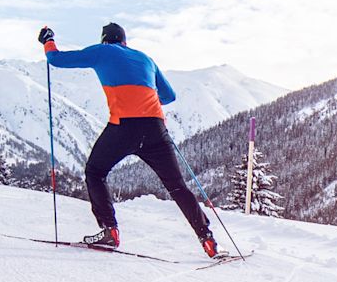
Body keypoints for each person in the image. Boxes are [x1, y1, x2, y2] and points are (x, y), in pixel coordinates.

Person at [37, 22, 219, 257]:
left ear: (105, 40)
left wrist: (48, 40)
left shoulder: (102, 51)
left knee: (95, 172)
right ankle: (208, 240)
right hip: (155, 128)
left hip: (123, 127)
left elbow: (56, 60)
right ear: (125, 41)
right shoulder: (145, 58)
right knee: (177, 186)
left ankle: (109, 231)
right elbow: (169, 96)